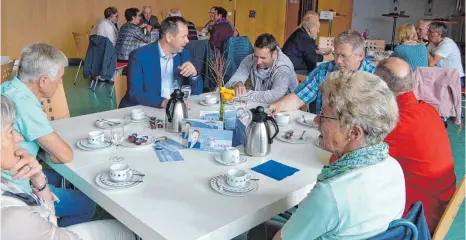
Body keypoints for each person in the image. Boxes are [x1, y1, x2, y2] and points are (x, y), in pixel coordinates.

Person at [248, 71, 405, 239]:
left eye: (323, 115)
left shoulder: (332, 194)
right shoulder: (393, 167)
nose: (316, 121)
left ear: (353, 133)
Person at [0, 96, 136, 239]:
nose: (18, 138)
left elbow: (47, 225)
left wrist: (39, 181)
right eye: (10, 132)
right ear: (43, 81)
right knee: (125, 232)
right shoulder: (14, 217)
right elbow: (65, 155)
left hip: (44, 228)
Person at [1, 43, 96, 227]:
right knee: (86, 203)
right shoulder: (25, 105)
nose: (61, 83)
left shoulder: (9, 87)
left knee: (58, 176)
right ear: (43, 80)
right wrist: (49, 148)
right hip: (17, 186)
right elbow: (65, 155)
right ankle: (51, 231)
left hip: (12, 173)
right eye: (59, 78)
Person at [375, 57, 457, 233]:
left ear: (380, 88)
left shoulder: (397, 124)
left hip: (416, 220)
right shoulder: (428, 109)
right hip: (439, 206)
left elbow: (355, 160)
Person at [269, 29, 376, 115]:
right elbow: (299, 97)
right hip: (321, 129)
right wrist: (279, 105)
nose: (338, 61)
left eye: (343, 56)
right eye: (336, 54)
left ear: (360, 56)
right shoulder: (324, 70)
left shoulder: (374, 76)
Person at [119, 16, 203, 108]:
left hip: (172, 111)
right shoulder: (139, 56)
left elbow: (197, 91)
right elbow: (135, 93)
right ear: (169, 37)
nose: (187, 41)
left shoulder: (183, 54)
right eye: (183, 36)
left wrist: (194, 75)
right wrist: (164, 102)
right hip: (142, 110)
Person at [224, 33, 298, 104]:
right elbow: (229, 83)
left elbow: (275, 96)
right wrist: (237, 83)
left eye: (263, 58)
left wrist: (246, 95)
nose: (258, 62)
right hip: (260, 104)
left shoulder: (283, 67)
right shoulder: (250, 59)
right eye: (256, 56)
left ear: (274, 54)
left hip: (284, 108)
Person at [427, 22, 465, 87]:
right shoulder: (432, 43)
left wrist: (422, 48)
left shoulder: (447, 44)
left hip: (454, 80)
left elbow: (431, 63)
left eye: (430, 32)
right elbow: (425, 58)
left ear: (439, 34)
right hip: (442, 78)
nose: (427, 33)